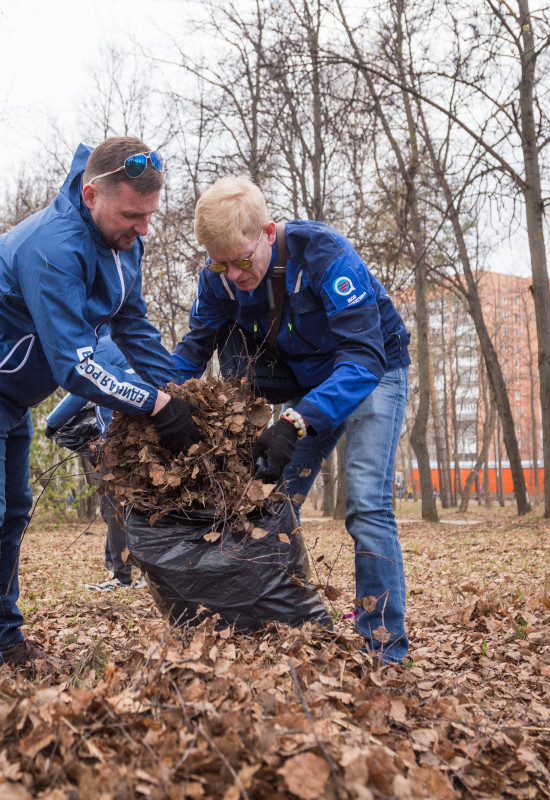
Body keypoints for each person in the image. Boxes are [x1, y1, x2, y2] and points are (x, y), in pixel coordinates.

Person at [0, 137, 201, 675]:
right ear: (91, 192)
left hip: (11, 386)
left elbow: (133, 326)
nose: (143, 228)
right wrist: (155, 405)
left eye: (149, 216)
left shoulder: (123, 243)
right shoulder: (53, 247)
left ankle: (5, 639)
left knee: (13, 509)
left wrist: (179, 392)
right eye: (131, 215)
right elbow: (76, 365)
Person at [171, 176, 413, 662]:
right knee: (272, 498)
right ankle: (284, 622)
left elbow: (362, 359)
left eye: (242, 260)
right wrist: (157, 401)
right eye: (220, 264)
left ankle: (384, 646)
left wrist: (295, 422)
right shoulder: (218, 277)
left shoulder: (323, 254)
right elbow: (193, 350)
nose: (234, 275)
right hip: (301, 377)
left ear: (267, 231)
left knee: (366, 503)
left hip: (371, 369)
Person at [43, 335, 146, 592]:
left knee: (114, 508)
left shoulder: (103, 346)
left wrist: (52, 423)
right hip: (143, 436)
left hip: (118, 437)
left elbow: (80, 391)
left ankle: (120, 577)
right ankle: (142, 572)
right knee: (136, 506)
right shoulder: (131, 343)